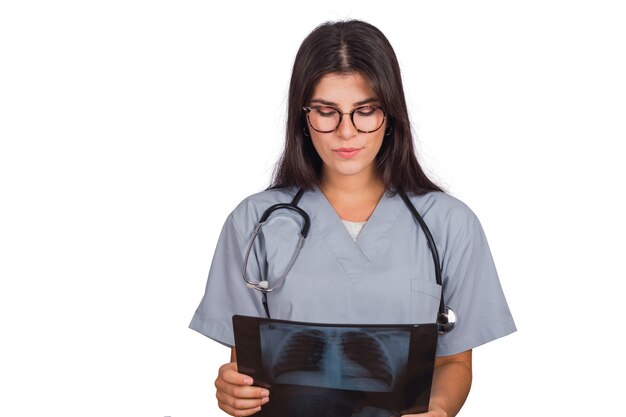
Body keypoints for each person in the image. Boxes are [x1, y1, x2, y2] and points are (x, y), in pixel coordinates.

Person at [190, 19, 516, 417]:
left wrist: (441, 409)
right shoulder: (254, 223)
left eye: (365, 111)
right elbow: (247, 368)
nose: (347, 132)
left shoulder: (450, 225)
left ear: (391, 115)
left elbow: (453, 363)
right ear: (303, 116)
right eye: (327, 111)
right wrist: (233, 390)